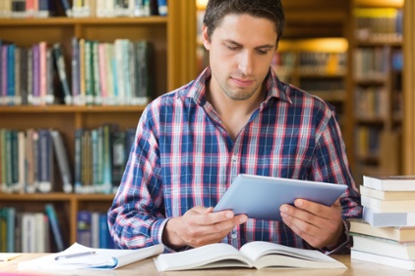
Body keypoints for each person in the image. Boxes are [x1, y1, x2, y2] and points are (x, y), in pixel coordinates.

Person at [108, 0, 362, 253]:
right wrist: (176, 231)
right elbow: (123, 222)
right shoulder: (161, 116)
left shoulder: (315, 117)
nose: (246, 68)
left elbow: (354, 220)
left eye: (262, 51)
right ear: (206, 36)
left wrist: (336, 233)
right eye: (232, 47)